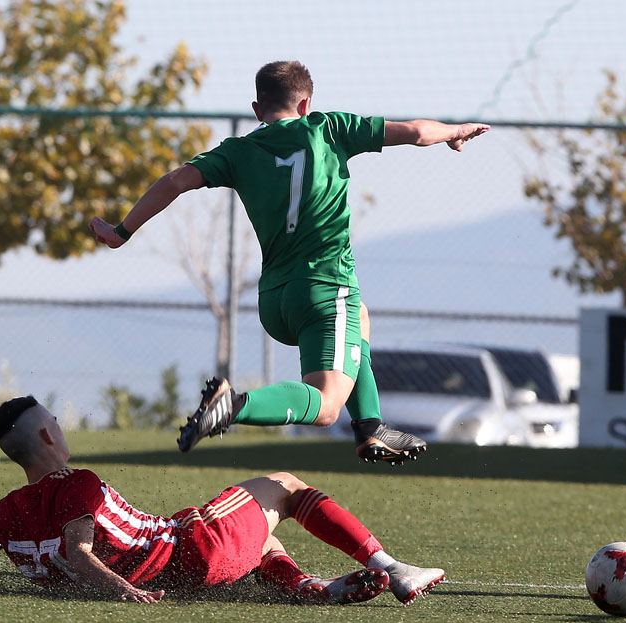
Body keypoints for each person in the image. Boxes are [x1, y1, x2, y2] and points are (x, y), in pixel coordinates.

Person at [90, 60, 490, 464]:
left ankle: (370, 428)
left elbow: (174, 181)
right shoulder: (328, 128)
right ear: (305, 105)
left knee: (360, 318)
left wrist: (121, 231)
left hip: (275, 301)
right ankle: (235, 405)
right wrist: (455, 133)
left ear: (256, 109)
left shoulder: (237, 151)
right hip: (325, 289)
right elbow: (419, 132)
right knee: (327, 405)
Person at [0, 396, 447, 605]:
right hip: (190, 547)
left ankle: (312, 589)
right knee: (283, 485)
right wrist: (121, 592)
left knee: (262, 533)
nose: (59, 425)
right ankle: (393, 566)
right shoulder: (80, 483)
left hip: (176, 570)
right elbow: (79, 550)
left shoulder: (6, 512)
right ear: (49, 437)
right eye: (54, 420)